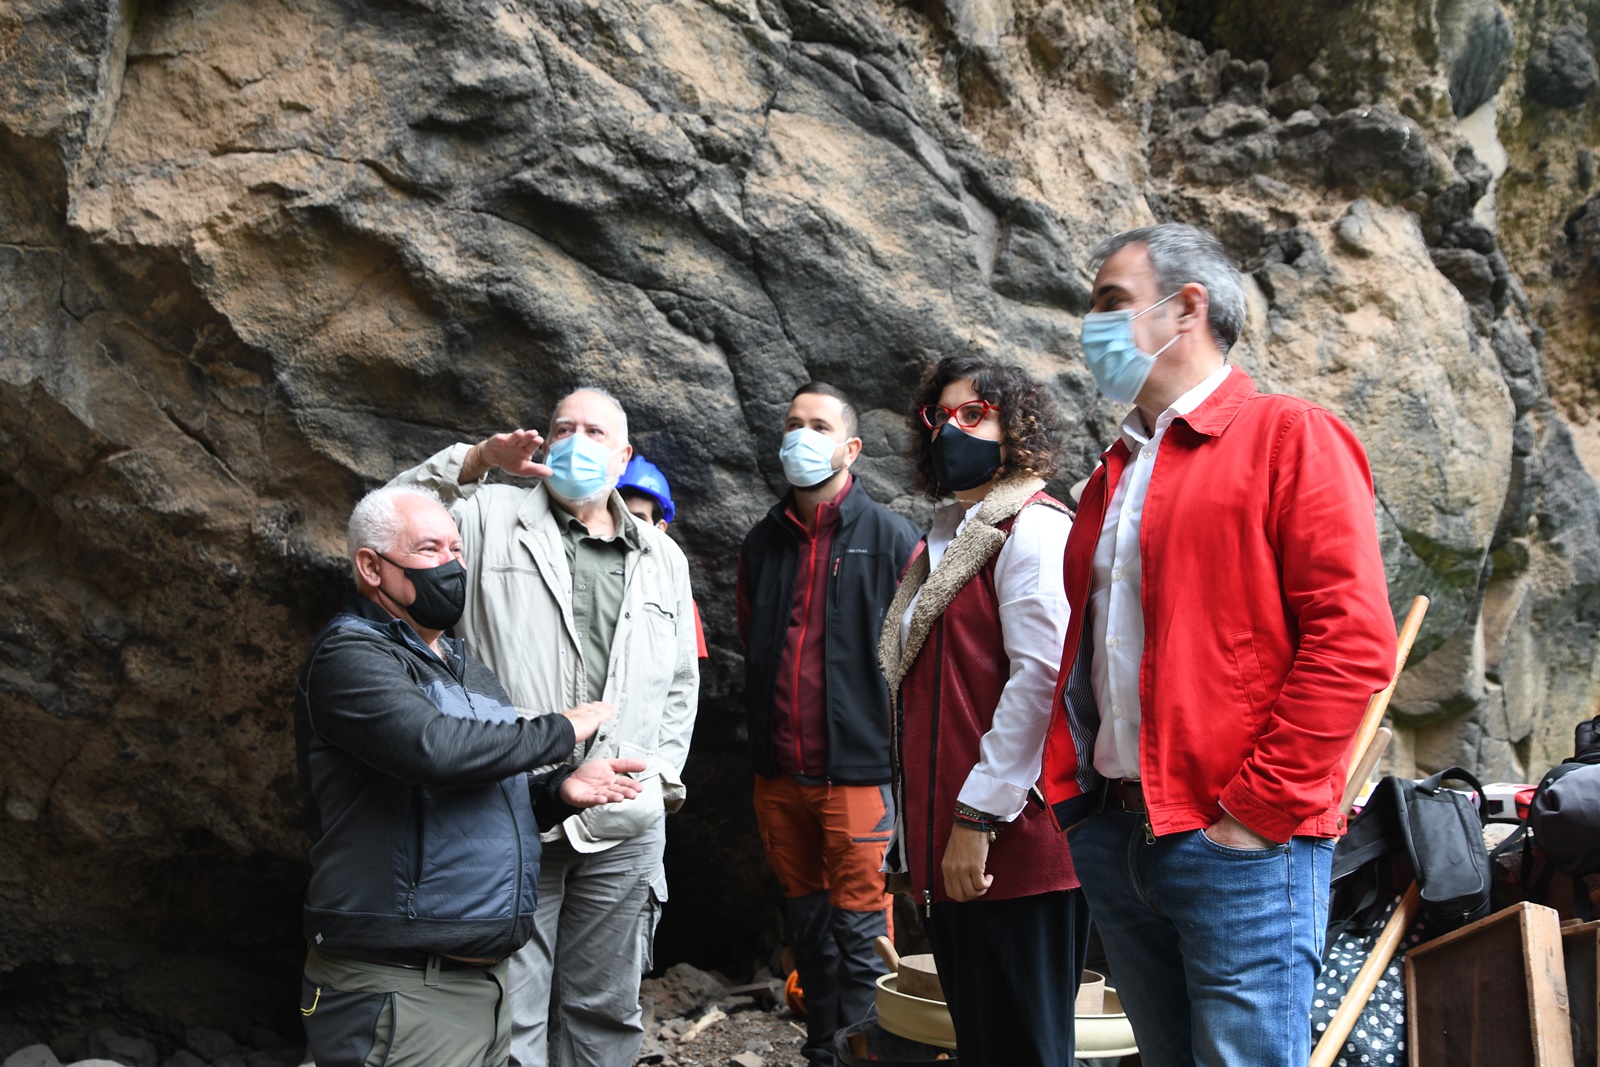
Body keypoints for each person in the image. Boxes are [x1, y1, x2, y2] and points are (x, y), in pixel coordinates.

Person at [1040, 223, 1398, 1067]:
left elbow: (1352, 641)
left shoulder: (1291, 435)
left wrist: (1255, 813)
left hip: (1239, 842)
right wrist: (1080, 809)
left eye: (1112, 302)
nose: (1092, 326)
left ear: (1187, 307)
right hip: (1118, 832)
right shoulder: (1109, 476)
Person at [388, 388, 700, 1067]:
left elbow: (681, 684)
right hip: (510, 812)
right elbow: (387, 526)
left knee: (606, 1012)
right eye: (563, 428)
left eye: (595, 432)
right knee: (508, 1012)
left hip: (624, 821)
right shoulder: (484, 517)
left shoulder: (663, 557)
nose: (575, 442)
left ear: (623, 456)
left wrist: (661, 780)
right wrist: (475, 459)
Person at [295, 485, 647, 1067]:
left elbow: (470, 793)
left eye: (456, 549)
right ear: (372, 568)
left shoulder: (466, 668)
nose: (452, 565)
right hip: (398, 985)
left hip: (483, 988)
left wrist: (556, 792)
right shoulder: (350, 656)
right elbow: (433, 751)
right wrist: (560, 730)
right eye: (429, 549)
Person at [877, 354, 1084, 1066]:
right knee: (984, 1045)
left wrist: (975, 817)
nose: (951, 429)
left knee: (1029, 1048)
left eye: (974, 414)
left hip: (1012, 843)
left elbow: (1042, 680)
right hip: (951, 846)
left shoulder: (1034, 527)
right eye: (940, 416)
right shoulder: (946, 538)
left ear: (1015, 426)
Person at [736, 382, 921, 1065]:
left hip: (860, 774)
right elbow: (752, 637)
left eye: (819, 425)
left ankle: (867, 1052)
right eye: (793, 423)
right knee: (808, 924)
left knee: (863, 928)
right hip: (779, 775)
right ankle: (821, 1048)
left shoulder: (894, 538)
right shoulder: (762, 542)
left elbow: (919, 657)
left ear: (852, 448)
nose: (801, 436)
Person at [618, 454, 708, 660]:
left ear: (660, 528)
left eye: (639, 518)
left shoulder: (676, 595)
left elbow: (687, 669)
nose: (628, 525)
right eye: (621, 514)